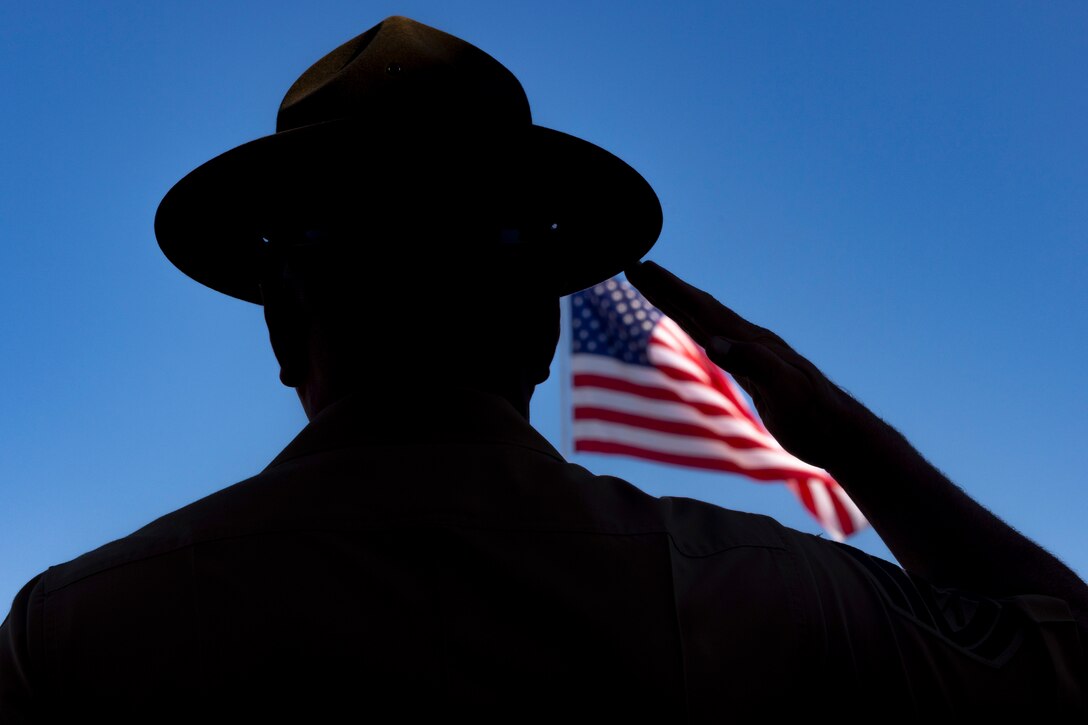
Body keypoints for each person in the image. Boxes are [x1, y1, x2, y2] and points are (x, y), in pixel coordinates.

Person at [1, 16, 1084, 722]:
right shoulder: (765, 598)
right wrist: (847, 437)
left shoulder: (73, 635)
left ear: (285, 329)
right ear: (539, 329)